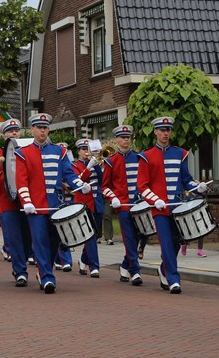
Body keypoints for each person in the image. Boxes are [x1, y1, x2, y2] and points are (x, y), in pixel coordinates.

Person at [15, 113, 89, 294]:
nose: (42, 131)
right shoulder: (23, 153)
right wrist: (27, 201)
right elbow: (21, 181)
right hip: (36, 207)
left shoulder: (59, 151)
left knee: (55, 241)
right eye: (39, 128)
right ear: (32, 129)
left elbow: (68, 174)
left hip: (56, 205)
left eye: (45, 128)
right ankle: (47, 276)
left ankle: (43, 270)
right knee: (40, 241)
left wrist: (81, 185)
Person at [137, 116, 206, 294]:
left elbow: (186, 180)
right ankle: (174, 280)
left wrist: (197, 187)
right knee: (166, 243)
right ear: (155, 132)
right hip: (159, 209)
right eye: (162, 130)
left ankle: (164, 269)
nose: (165, 133)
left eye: (168, 130)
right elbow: (142, 186)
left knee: (177, 242)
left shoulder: (180, 153)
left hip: (177, 207)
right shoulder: (146, 156)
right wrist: (155, 200)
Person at [0, 119, 29, 286]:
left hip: (26, 201)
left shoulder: (27, 151)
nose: (14, 133)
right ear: (4, 135)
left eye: (16, 130)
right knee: (14, 238)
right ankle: (20, 271)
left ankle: (22, 263)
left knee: (29, 238)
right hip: (7, 202)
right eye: (10, 131)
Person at [102, 125, 143, 286]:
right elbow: (105, 186)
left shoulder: (139, 158)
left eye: (128, 137)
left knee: (139, 236)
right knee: (129, 238)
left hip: (138, 205)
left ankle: (125, 265)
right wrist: (113, 198)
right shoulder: (111, 161)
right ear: (117, 140)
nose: (126, 140)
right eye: (123, 137)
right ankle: (135, 271)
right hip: (123, 206)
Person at [73, 139, 104, 277]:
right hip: (84, 203)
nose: (87, 151)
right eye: (84, 149)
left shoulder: (96, 162)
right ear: (79, 151)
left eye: (88, 149)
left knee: (95, 235)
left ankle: (84, 259)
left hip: (97, 202)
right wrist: (89, 167)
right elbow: (77, 181)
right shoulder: (74, 165)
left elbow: (103, 180)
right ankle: (94, 266)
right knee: (90, 235)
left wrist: (97, 165)